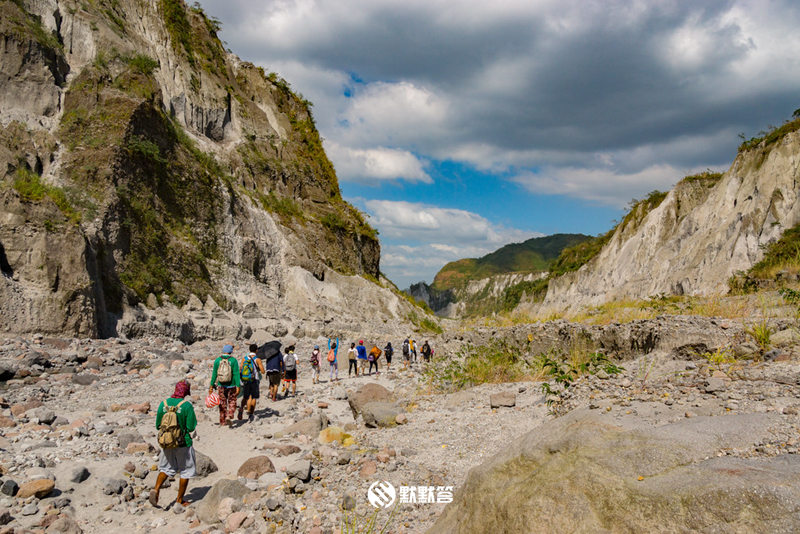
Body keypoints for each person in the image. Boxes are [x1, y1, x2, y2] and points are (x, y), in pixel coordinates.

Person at [150, 380, 197, 508]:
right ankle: (179, 500)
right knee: (185, 471)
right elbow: (191, 426)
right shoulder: (186, 406)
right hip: (183, 443)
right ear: (186, 391)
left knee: (166, 468)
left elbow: (158, 425)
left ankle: (156, 489)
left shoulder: (163, 404)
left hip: (167, 442)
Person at [208, 344, 240, 427]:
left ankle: (222, 421)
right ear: (231, 351)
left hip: (221, 385)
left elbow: (214, 374)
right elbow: (236, 374)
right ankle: (229, 415)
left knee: (222, 403)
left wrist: (211, 386)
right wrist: (238, 386)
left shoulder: (217, 360)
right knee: (232, 400)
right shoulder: (233, 360)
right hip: (231, 385)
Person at [238, 344, 265, 422]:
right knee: (253, 397)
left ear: (249, 350)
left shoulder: (244, 358)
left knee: (246, 396)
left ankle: (241, 408)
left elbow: (241, 368)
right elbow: (263, 371)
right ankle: (251, 413)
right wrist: (258, 370)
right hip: (254, 380)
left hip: (246, 379)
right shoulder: (257, 359)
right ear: (256, 350)